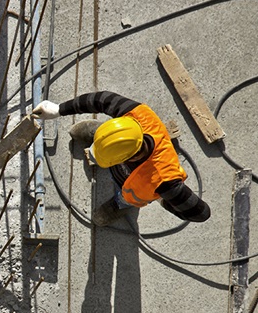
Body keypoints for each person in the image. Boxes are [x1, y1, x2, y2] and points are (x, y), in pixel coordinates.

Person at [31, 91, 211, 226]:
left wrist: (162, 199)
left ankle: (120, 204)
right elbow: (101, 99)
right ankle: (99, 133)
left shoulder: (164, 180)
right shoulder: (137, 114)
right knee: (94, 134)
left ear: (126, 158)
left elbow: (201, 213)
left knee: (118, 203)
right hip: (118, 138)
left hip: (130, 191)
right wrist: (59, 109)